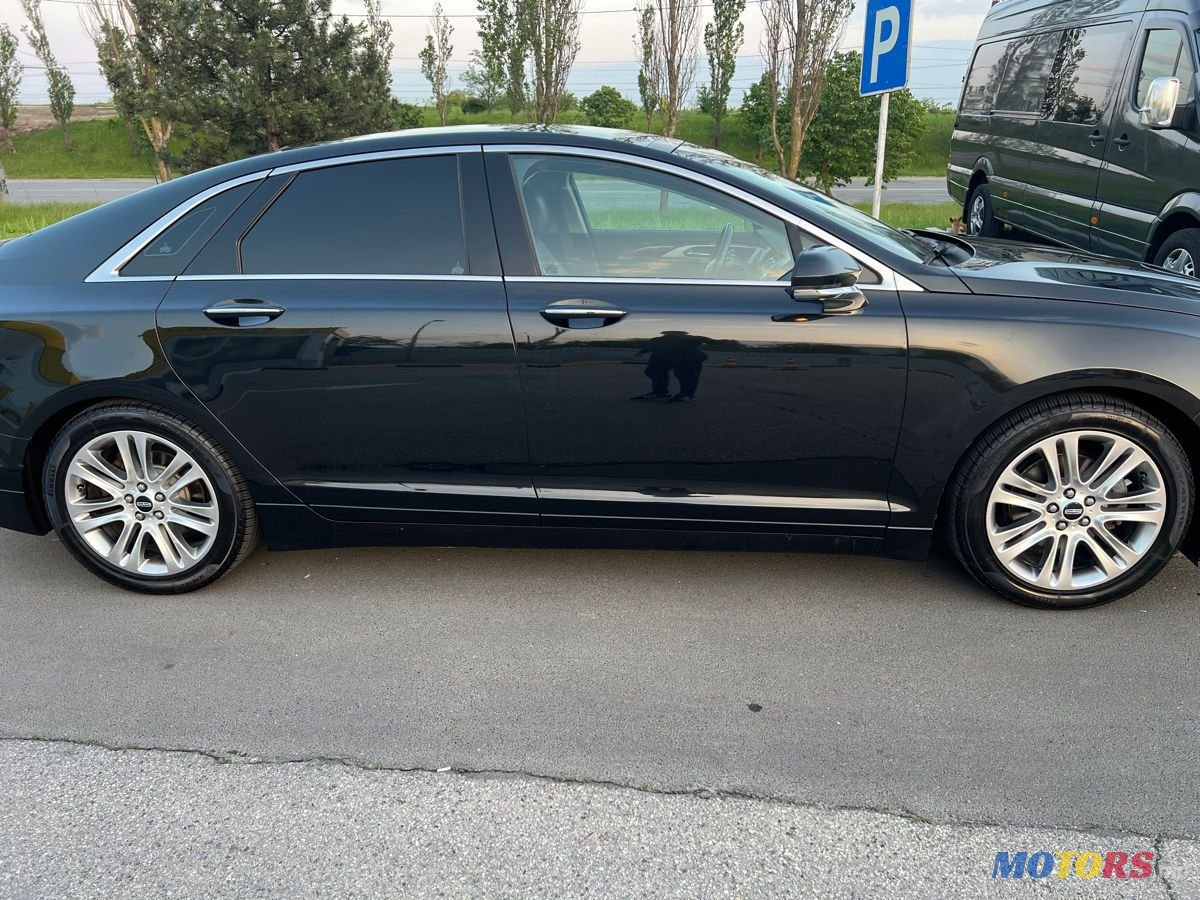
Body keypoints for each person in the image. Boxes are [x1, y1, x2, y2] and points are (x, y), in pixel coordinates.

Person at [631, 331, 708, 402]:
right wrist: (642, 351)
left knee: (686, 372)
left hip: (687, 357)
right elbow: (652, 346)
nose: (672, 336)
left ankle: (687, 394)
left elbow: (707, 340)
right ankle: (660, 392)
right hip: (664, 356)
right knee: (654, 370)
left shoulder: (690, 339)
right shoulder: (658, 340)